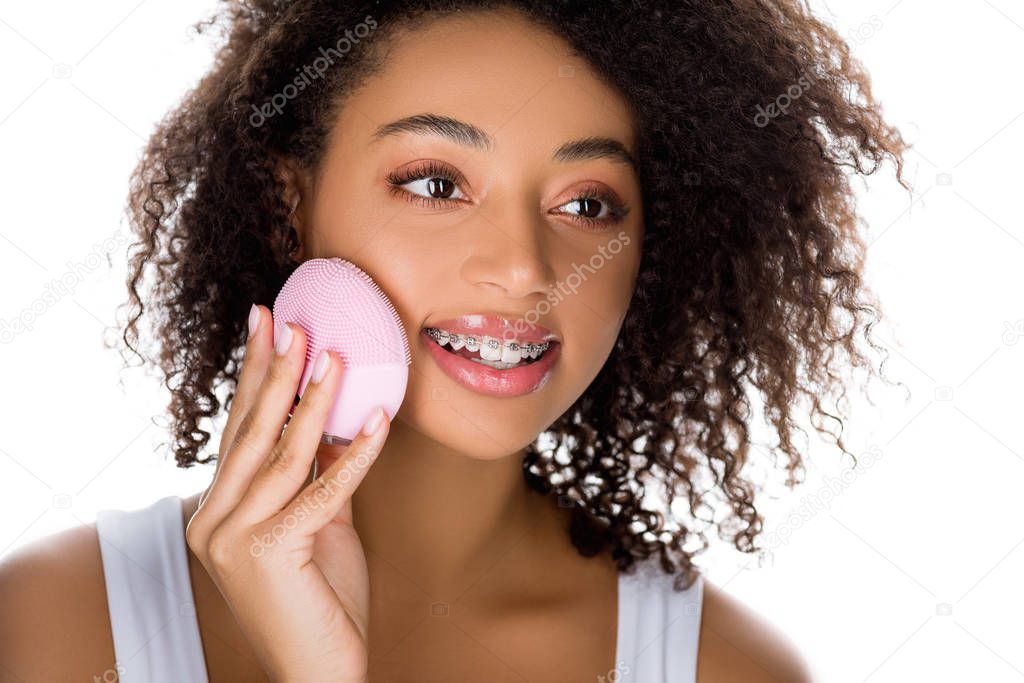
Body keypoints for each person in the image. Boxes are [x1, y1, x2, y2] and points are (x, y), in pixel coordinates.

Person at [0, 1, 909, 680]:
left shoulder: (726, 670)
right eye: (436, 183)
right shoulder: (56, 625)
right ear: (290, 207)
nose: (523, 267)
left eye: (587, 203)